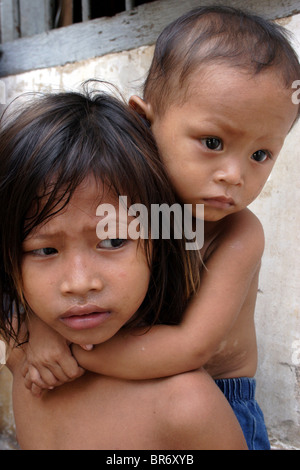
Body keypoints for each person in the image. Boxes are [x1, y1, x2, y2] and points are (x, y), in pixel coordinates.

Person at [19, 6, 300, 450]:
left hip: (219, 401)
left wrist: (67, 350)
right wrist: (40, 331)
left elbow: (191, 348)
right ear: (145, 121)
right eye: (212, 143)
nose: (234, 174)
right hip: (141, 387)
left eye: (261, 154)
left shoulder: (239, 233)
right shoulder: (126, 206)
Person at [0, 88, 247, 450]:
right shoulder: (30, 369)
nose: (79, 283)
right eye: (45, 250)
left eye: (114, 242)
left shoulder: (184, 406)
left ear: (160, 242)